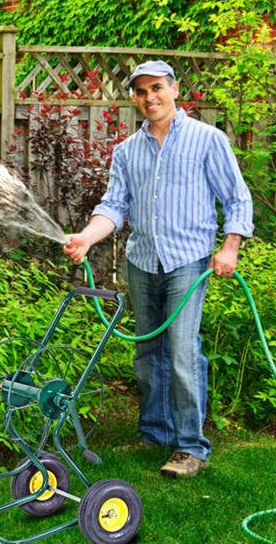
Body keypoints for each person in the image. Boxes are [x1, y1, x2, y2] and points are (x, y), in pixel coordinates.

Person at [64, 60, 254, 478]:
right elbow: (113, 207)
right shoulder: (127, 151)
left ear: (173, 89)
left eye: (156, 88)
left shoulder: (208, 140)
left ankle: (191, 447)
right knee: (148, 352)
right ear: (134, 97)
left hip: (188, 261)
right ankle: (154, 433)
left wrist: (230, 247)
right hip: (142, 261)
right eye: (140, 91)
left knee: (183, 352)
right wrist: (87, 237)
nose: (149, 98)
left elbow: (237, 199)